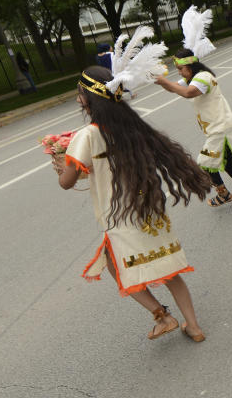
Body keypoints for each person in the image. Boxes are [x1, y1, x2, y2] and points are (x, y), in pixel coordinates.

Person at [59, 66, 211, 342]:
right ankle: (194, 326)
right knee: (169, 272)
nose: (77, 96)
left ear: (87, 97)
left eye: (79, 91)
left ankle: (162, 316)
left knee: (115, 266)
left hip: (120, 215)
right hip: (149, 209)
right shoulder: (133, 127)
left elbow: (67, 182)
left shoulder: (88, 135)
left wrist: (61, 164)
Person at [155, 49, 232, 207]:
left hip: (220, 128)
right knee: (229, 165)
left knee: (205, 163)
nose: (180, 73)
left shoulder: (202, 77)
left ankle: (224, 194)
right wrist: (158, 80)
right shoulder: (194, 78)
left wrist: (164, 82)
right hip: (218, 127)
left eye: (181, 69)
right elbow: (174, 88)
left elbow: (189, 93)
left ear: (190, 66)